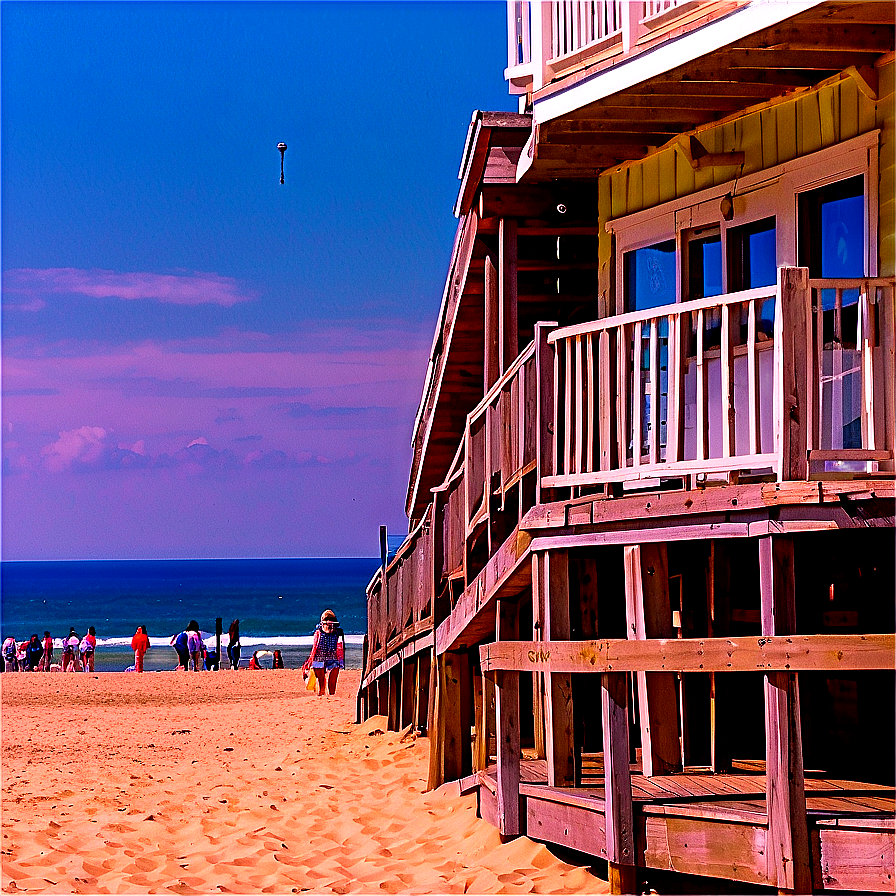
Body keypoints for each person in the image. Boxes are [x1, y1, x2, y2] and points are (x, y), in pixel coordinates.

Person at [302, 609, 345, 696]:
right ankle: (327, 694)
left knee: (326, 680)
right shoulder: (334, 632)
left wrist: (311, 659)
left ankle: (327, 694)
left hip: (327, 656)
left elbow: (315, 646)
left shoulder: (321, 632)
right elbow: (340, 647)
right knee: (324, 680)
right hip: (325, 656)